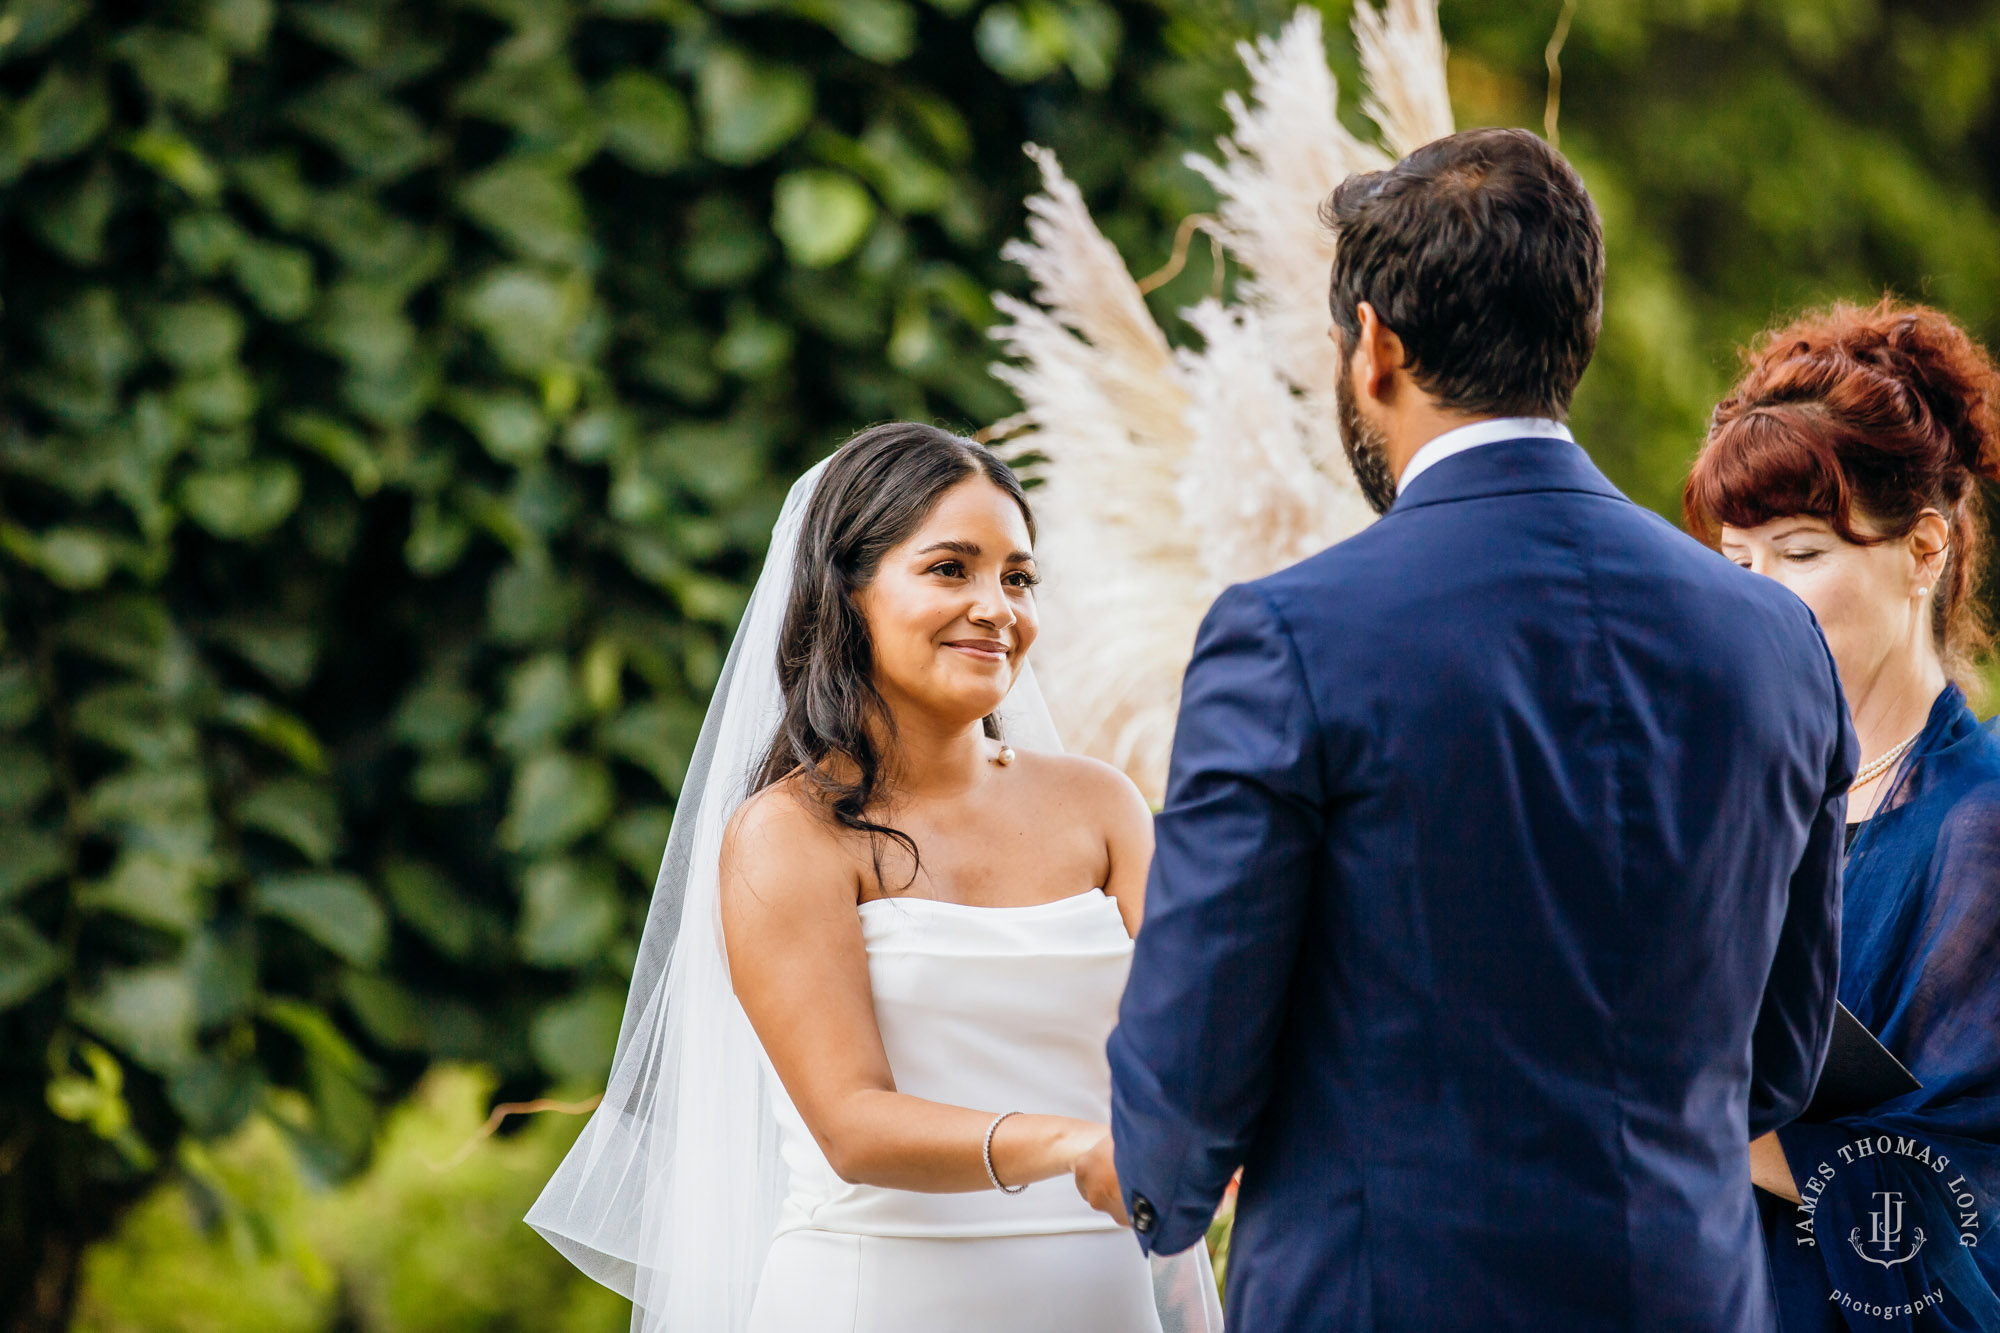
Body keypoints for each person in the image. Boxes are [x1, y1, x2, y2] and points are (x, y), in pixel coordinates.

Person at [1073, 127, 1856, 1331]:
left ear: (1373, 345)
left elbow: (1185, 1081)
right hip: (1687, 1296)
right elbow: (1779, 1059)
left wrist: (1156, 1190)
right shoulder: (1771, 642)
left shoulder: (1287, 635)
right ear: (1575, 336)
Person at [526, 424, 1222, 1333]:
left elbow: (1200, 1030)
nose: (996, 606)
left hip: (1104, 1298)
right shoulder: (788, 835)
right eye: (950, 569)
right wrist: (1072, 1145)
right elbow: (852, 1122)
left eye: (1018, 576)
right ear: (846, 595)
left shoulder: (1103, 806)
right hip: (883, 1297)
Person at [1685, 300, 2000, 1333]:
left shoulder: (1978, 828)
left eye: (1800, 551)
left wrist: (1673, 1118)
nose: (1756, 597)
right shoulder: (1713, 795)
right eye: (1735, 562)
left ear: (1921, 552)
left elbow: (1963, 1196)